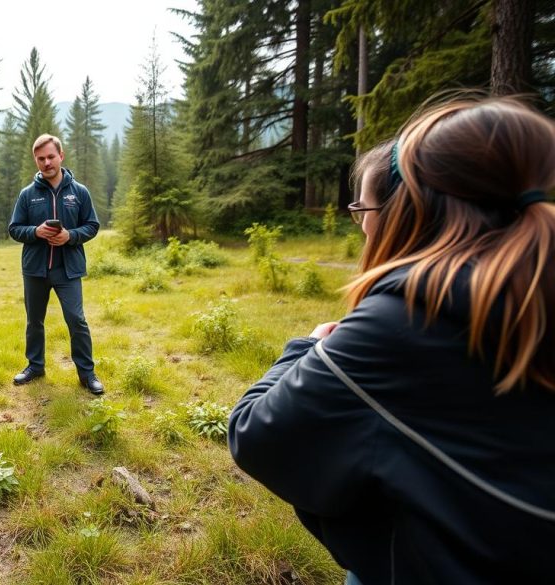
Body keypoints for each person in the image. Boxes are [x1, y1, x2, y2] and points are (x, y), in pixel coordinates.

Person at [228, 95, 555, 585]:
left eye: (362, 207)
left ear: (409, 210)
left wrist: (306, 349)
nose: (360, 223)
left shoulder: (409, 318)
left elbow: (255, 435)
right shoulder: (531, 292)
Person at [8, 134, 103, 394]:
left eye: (51, 156)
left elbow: (92, 225)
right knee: (34, 321)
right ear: (36, 161)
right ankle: (35, 366)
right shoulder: (28, 194)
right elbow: (14, 229)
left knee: (76, 320)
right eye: (41, 158)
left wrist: (70, 236)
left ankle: (87, 374)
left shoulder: (79, 192)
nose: (47, 162)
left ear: (61, 155)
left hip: (68, 269)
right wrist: (36, 232)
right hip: (35, 269)